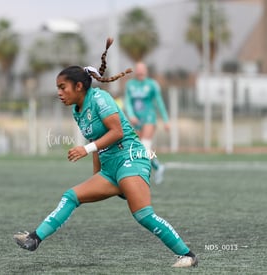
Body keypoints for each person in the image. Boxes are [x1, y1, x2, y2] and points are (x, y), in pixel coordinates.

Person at [14, 38, 197, 268]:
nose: (59, 93)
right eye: (58, 88)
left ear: (78, 86)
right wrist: (96, 175)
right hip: (110, 167)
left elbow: (117, 132)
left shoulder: (100, 98)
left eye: (62, 87)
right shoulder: (76, 110)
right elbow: (96, 141)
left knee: (142, 215)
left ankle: (188, 255)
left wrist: (85, 149)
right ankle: (34, 238)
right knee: (71, 196)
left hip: (130, 157)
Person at [124, 62, 169, 184]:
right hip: (136, 120)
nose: (140, 73)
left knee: (144, 145)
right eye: (138, 70)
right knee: (140, 147)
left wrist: (166, 120)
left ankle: (142, 174)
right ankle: (158, 166)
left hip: (149, 118)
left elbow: (159, 102)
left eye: (142, 70)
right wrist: (131, 115)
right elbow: (127, 102)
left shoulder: (152, 84)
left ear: (146, 71)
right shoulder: (130, 85)